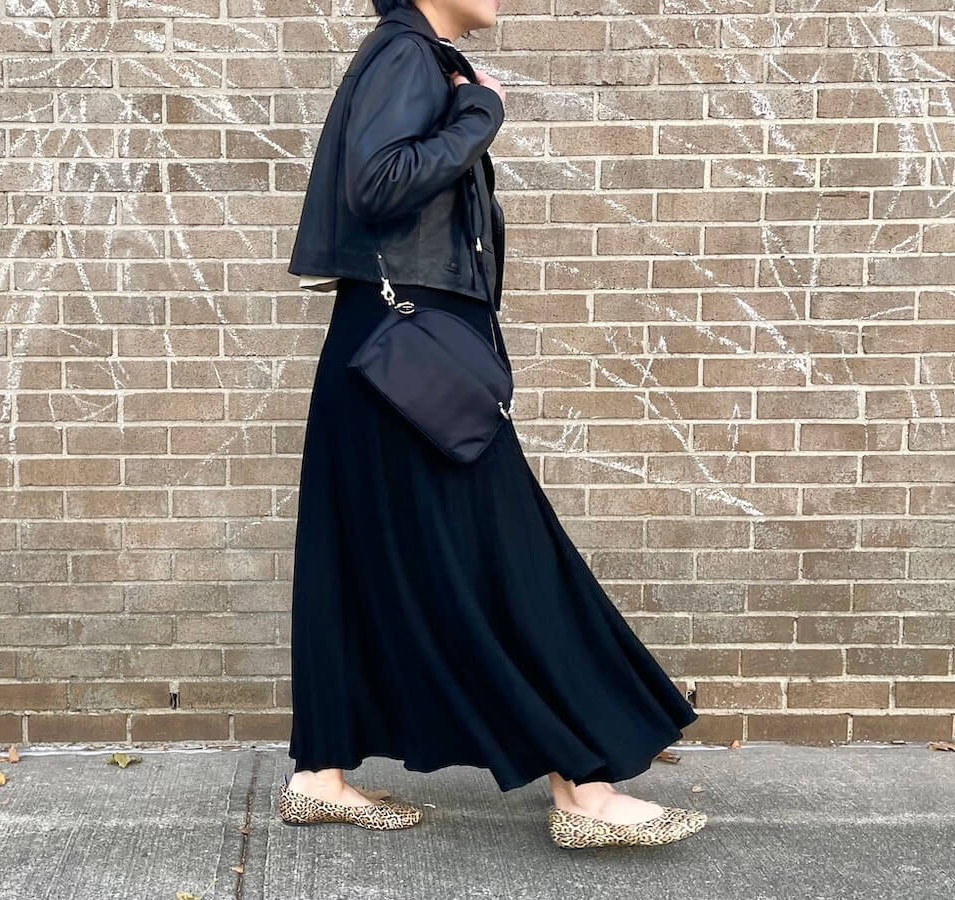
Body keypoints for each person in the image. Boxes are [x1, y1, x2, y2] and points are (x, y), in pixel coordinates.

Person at [277, 0, 708, 849]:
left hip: (389, 349)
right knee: (507, 553)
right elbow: (379, 183)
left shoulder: (409, 56)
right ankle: (583, 787)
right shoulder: (410, 56)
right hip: (410, 354)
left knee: (358, 552)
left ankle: (318, 774)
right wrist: (483, 111)